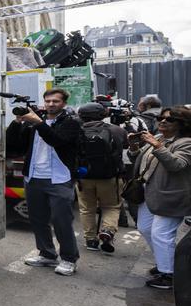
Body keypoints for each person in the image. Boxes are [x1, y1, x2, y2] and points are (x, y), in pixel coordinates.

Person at [6, 87, 83, 276]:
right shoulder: (34, 123)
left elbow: (56, 140)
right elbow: (14, 146)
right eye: (48, 101)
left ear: (63, 103)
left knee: (61, 220)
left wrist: (38, 123)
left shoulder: (71, 122)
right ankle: (47, 254)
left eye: (55, 101)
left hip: (59, 178)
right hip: (33, 177)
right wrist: (17, 123)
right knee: (38, 219)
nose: (50, 104)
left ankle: (69, 258)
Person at [127, 106, 191, 290]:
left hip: (171, 196)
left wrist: (156, 145)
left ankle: (169, 274)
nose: (162, 121)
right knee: (145, 228)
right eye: (161, 118)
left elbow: (176, 164)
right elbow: (140, 160)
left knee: (161, 234)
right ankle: (166, 264)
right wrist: (133, 146)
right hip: (150, 193)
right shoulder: (160, 138)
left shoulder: (186, 142)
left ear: (182, 124)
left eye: (169, 119)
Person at [76, 102, 127, 253]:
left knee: (87, 209)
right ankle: (107, 231)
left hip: (84, 177)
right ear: (103, 114)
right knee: (111, 206)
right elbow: (123, 148)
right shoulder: (117, 130)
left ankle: (90, 240)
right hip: (110, 177)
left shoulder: (77, 131)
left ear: (81, 116)